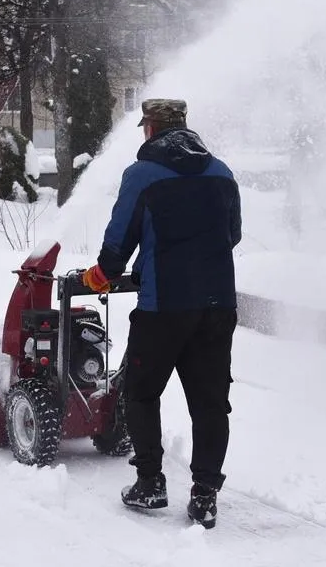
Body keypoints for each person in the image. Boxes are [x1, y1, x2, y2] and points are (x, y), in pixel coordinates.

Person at [82, 98, 241, 529]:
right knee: (210, 403)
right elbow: (232, 235)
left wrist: (101, 275)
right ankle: (205, 495)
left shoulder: (143, 174)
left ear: (150, 128)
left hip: (162, 307)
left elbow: (118, 244)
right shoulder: (221, 172)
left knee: (142, 390)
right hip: (216, 305)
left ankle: (150, 483)